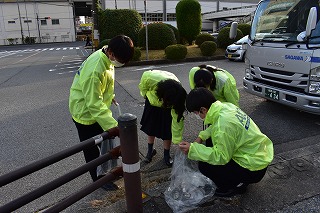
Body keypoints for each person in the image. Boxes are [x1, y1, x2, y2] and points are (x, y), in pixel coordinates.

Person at [179, 88, 274, 197]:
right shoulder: (226, 107)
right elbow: (214, 127)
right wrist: (201, 137)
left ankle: (230, 187)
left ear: (203, 110)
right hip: (258, 156)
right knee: (210, 141)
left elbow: (221, 157)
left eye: (196, 113)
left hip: (253, 168)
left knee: (205, 165)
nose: (197, 116)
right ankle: (239, 180)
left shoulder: (223, 125)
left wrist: (192, 149)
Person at [69, 35, 134, 190]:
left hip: (96, 110)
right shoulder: (95, 68)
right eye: (119, 60)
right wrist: (114, 126)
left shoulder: (106, 56)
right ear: (111, 53)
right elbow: (94, 103)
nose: (119, 63)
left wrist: (109, 96)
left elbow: (106, 82)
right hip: (84, 112)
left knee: (104, 144)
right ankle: (98, 180)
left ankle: (106, 172)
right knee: (91, 149)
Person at [139, 70, 187, 167]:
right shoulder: (151, 78)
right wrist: (145, 95)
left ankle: (166, 154)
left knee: (167, 130)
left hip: (167, 109)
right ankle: (150, 151)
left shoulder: (177, 95)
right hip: (152, 103)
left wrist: (177, 141)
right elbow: (143, 85)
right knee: (151, 127)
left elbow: (177, 121)